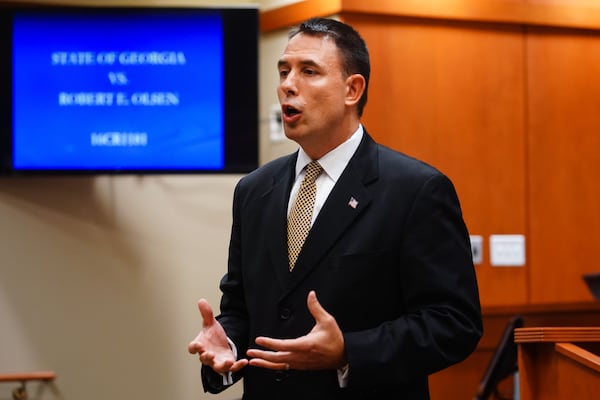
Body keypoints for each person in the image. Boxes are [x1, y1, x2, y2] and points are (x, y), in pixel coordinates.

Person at [188, 17, 482, 400]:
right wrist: (228, 342)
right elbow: (242, 307)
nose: (288, 85)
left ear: (352, 89)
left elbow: (454, 324)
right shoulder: (253, 190)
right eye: (284, 71)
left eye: (309, 71)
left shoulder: (416, 189)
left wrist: (349, 352)